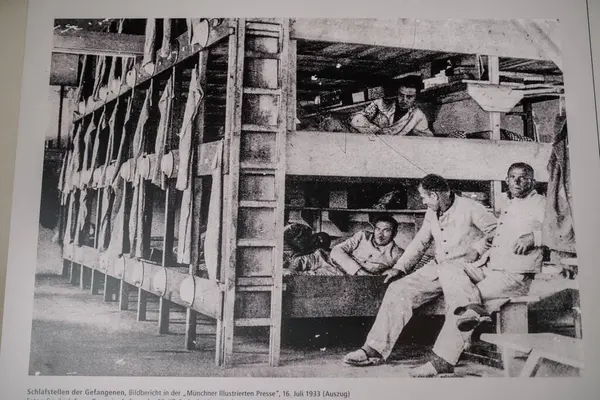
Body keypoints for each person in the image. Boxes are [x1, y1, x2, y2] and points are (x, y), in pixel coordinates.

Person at [342, 174, 497, 370]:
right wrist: (400, 267)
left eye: (424, 197)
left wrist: (478, 247)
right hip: (440, 266)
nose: (423, 201)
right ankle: (374, 349)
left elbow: (498, 231)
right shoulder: (432, 213)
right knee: (398, 289)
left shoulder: (471, 208)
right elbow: (421, 241)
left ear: (434, 195)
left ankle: (446, 357)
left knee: (459, 302)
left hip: (466, 268)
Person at [408, 162, 546, 377]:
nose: (517, 182)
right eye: (512, 177)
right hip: (492, 268)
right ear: (507, 180)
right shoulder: (509, 204)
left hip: (515, 275)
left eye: (523, 177)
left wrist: (535, 237)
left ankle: (442, 360)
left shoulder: (541, 203)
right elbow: (496, 234)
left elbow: (566, 233)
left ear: (533, 181)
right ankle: (470, 310)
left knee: (462, 303)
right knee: (448, 267)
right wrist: (477, 247)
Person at [349, 75, 433, 136]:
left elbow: (427, 139)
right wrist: (376, 130)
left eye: (409, 97)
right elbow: (355, 118)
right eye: (401, 95)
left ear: (416, 97)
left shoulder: (418, 116)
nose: (404, 100)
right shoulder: (380, 103)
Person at [330, 215, 404, 275]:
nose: (380, 235)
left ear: (394, 234)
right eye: (378, 229)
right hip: (337, 270)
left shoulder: (398, 254)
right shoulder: (362, 236)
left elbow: (404, 271)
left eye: (386, 230)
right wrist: (358, 271)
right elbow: (336, 250)